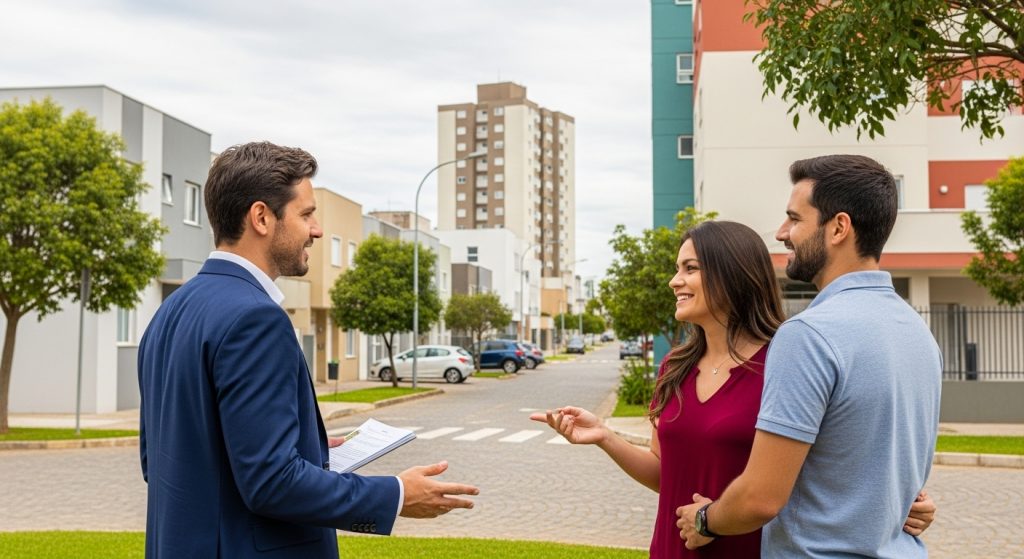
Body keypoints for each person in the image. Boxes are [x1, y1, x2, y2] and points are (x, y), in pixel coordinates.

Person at [138, 142, 478, 558]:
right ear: (261, 217)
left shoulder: (170, 311)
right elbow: (272, 483)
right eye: (306, 214)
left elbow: (160, 461)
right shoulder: (255, 318)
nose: (316, 230)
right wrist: (396, 495)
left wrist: (303, 447)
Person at [531, 220, 935, 558]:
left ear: (732, 274)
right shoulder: (674, 368)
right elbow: (668, 474)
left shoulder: (787, 360)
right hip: (673, 548)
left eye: (690, 268)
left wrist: (903, 506)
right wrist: (605, 436)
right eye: (677, 269)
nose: (675, 281)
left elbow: (842, 464)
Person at [677, 154, 942, 558]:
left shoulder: (808, 336)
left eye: (794, 219)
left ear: (838, 228)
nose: (782, 233)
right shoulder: (918, 333)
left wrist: (704, 519)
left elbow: (761, 498)